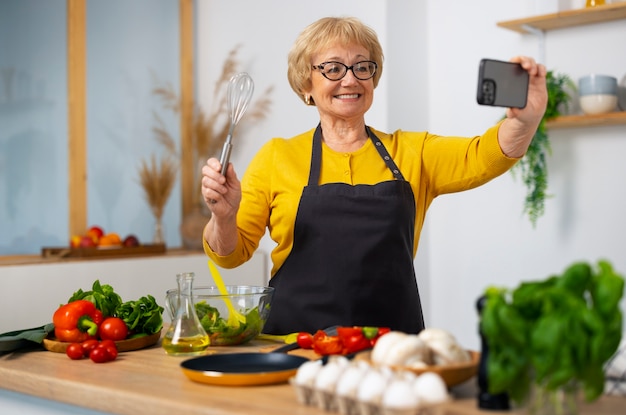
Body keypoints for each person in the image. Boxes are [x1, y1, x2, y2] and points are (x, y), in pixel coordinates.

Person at [200, 16, 547, 335]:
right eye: (333, 68)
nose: (350, 79)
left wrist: (524, 120)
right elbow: (231, 255)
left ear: (373, 77)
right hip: (296, 344)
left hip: (390, 349)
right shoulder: (277, 156)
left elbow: (484, 155)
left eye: (362, 67)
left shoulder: (413, 152)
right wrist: (223, 217)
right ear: (307, 83)